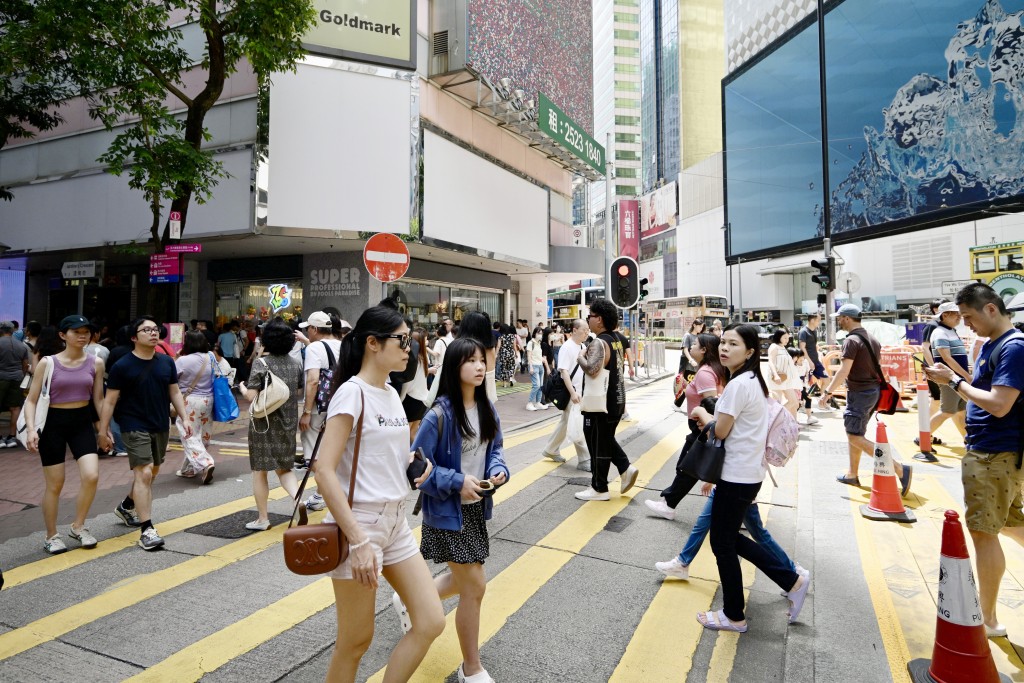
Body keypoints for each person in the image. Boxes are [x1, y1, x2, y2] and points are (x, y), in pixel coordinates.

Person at [313, 305, 444, 682]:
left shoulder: (389, 392)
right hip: (360, 525)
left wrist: (416, 463)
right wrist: (357, 541)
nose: (409, 348)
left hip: (395, 521)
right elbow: (323, 469)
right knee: (355, 641)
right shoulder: (352, 394)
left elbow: (389, 453)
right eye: (401, 340)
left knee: (430, 620)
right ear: (372, 343)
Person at [689, 323, 809, 632]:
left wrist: (704, 416)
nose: (725, 349)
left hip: (737, 475)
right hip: (746, 473)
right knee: (726, 538)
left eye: (733, 344)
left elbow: (721, 431)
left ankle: (737, 613)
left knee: (722, 542)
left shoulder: (739, 385)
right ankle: (788, 579)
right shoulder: (751, 380)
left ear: (751, 351)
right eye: (723, 343)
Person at [923, 282, 1024, 639]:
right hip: (993, 450)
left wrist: (951, 380)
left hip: (995, 452)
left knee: (984, 533)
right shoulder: (995, 345)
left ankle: (989, 619)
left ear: (991, 309)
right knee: (1009, 525)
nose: (965, 325)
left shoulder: (1013, 348)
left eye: (968, 316)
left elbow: (999, 404)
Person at [411, 337, 510, 683]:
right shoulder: (438, 415)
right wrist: (457, 482)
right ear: (455, 368)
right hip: (446, 512)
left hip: (475, 509)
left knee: (466, 579)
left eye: (482, 360)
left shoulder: (487, 408)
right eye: (471, 361)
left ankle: (410, 599)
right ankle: (471, 668)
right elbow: (416, 469)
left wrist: (498, 471)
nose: (480, 366)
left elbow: (495, 448)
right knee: (474, 587)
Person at [98, 317, 191, 551]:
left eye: (155, 330)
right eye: (146, 330)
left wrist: (185, 417)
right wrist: (103, 431)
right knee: (145, 471)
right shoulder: (122, 366)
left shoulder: (166, 363)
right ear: (134, 337)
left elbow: (175, 392)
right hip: (132, 423)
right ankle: (147, 530)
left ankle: (127, 505)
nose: (153, 333)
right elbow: (109, 402)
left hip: (159, 424)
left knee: (152, 472)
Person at [22, 315, 106, 554]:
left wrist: (104, 429)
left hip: (81, 422)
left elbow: (98, 399)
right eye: (76, 331)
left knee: (91, 475)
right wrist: (30, 429)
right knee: (55, 484)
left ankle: (78, 526)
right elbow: (31, 400)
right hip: (52, 424)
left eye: (86, 332)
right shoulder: (48, 363)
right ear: (62, 335)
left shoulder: (96, 362)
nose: (83, 336)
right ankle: (51, 535)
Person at [826, 304, 912, 496]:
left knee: (853, 436)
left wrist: (827, 392)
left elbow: (843, 370)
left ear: (847, 318)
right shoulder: (872, 338)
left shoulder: (851, 341)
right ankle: (852, 474)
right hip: (872, 391)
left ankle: (899, 469)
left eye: (840, 318)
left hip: (860, 393)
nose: (838, 321)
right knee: (855, 432)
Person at [655, 481, 804, 584]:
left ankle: (793, 571)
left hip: (734, 487)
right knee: (758, 534)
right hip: (736, 485)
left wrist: (712, 477)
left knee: (755, 534)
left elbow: (727, 444)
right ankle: (682, 562)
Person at [645, 332, 727, 519]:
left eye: (695, 345)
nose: (691, 347)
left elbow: (711, 403)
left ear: (704, 350)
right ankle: (668, 503)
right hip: (700, 426)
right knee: (688, 466)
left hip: (701, 427)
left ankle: (668, 504)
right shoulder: (710, 369)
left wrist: (702, 419)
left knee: (687, 467)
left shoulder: (706, 372)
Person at [237, 321, 302, 531]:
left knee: (260, 471)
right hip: (288, 421)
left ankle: (263, 519)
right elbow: (298, 391)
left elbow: (251, 397)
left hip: (263, 424)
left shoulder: (261, 364)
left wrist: (241, 387)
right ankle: (297, 499)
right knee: (285, 467)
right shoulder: (295, 364)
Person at [574, 298, 640, 501]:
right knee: (603, 439)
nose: (588, 319)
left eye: (590, 316)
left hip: (601, 403)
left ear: (599, 319)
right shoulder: (617, 338)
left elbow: (592, 370)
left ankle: (599, 488)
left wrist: (580, 356)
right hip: (616, 400)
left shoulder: (599, 342)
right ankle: (624, 468)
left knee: (598, 443)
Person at [542, 319, 591, 470]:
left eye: (588, 330)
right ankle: (584, 460)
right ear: (575, 330)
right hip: (572, 393)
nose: (587, 333)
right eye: (585, 330)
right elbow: (564, 372)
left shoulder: (582, 346)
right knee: (577, 424)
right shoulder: (567, 347)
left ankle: (550, 449)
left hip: (579, 392)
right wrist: (573, 393)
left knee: (566, 422)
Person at [298, 311, 343, 474]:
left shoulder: (315, 348)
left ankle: (325, 492)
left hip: (319, 407)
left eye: (308, 328)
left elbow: (313, 380)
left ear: (315, 329)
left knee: (313, 454)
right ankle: (329, 492)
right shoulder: (342, 344)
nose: (307, 332)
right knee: (332, 451)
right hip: (340, 404)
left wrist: (307, 412)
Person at [171, 331, 219, 484]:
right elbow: (219, 374)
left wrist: (176, 358)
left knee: (188, 433)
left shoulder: (183, 360)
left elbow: (171, 378)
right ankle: (189, 469)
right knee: (203, 434)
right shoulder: (211, 356)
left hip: (189, 401)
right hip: (209, 400)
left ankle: (205, 463)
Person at [923, 302, 970, 445]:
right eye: (956, 314)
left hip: (956, 377)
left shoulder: (950, 331)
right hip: (950, 378)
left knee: (961, 412)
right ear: (945, 315)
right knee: (947, 411)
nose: (959, 317)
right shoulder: (940, 332)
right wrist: (966, 375)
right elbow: (946, 357)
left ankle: (967, 441)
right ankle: (923, 437)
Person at [917, 298, 949, 443]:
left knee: (938, 402)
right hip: (935, 369)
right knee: (943, 403)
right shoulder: (932, 325)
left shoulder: (945, 326)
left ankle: (925, 433)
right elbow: (924, 347)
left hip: (941, 369)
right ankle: (924, 434)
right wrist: (933, 366)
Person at [0, 320, 30, 448]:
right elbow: (25, 364)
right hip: (17, 377)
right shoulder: (21, 345)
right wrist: (21, 375)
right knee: (15, 407)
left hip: (1, 377)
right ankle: (12, 437)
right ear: (12, 331)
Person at [457, 312, 498, 403]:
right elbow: (489, 376)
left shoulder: (459, 348)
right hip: (486, 398)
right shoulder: (490, 348)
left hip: (463, 398)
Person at [766, 328, 799, 416]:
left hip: (786, 378)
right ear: (779, 337)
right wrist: (775, 375)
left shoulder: (783, 348)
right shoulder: (774, 347)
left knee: (794, 402)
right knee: (777, 402)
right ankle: (776, 418)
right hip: (778, 378)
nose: (787, 340)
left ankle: (780, 418)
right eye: (785, 338)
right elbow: (770, 361)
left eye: (788, 338)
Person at [798, 313, 826, 399]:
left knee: (826, 379)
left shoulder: (814, 331)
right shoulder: (803, 331)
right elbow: (802, 348)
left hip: (816, 361)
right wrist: (809, 361)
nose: (819, 322)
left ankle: (822, 401)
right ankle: (802, 403)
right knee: (804, 384)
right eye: (818, 320)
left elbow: (812, 345)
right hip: (806, 362)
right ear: (812, 320)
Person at [790, 347, 818, 426]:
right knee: (799, 403)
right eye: (800, 358)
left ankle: (807, 418)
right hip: (795, 386)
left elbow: (808, 372)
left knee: (801, 402)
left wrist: (809, 379)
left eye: (803, 358)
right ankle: (793, 419)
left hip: (803, 384)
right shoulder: (792, 365)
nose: (802, 359)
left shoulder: (805, 362)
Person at [525, 326, 549, 411]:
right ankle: (530, 403)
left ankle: (538, 402)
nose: (540, 335)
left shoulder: (539, 343)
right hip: (534, 366)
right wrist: (530, 367)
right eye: (539, 333)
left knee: (541, 386)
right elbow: (529, 356)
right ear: (534, 333)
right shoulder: (530, 343)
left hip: (540, 366)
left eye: (541, 333)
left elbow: (539, 356)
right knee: (536, 385)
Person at [495, 323, 518, 388]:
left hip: (503, 354)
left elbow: (498, 346)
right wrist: (516, 353)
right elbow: (514, 346)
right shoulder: (512, 336)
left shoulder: (501, 337)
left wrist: (496, 354)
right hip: (511, 354)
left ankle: (504, 384)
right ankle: (510, 378)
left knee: (503, 368)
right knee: (511, 367)